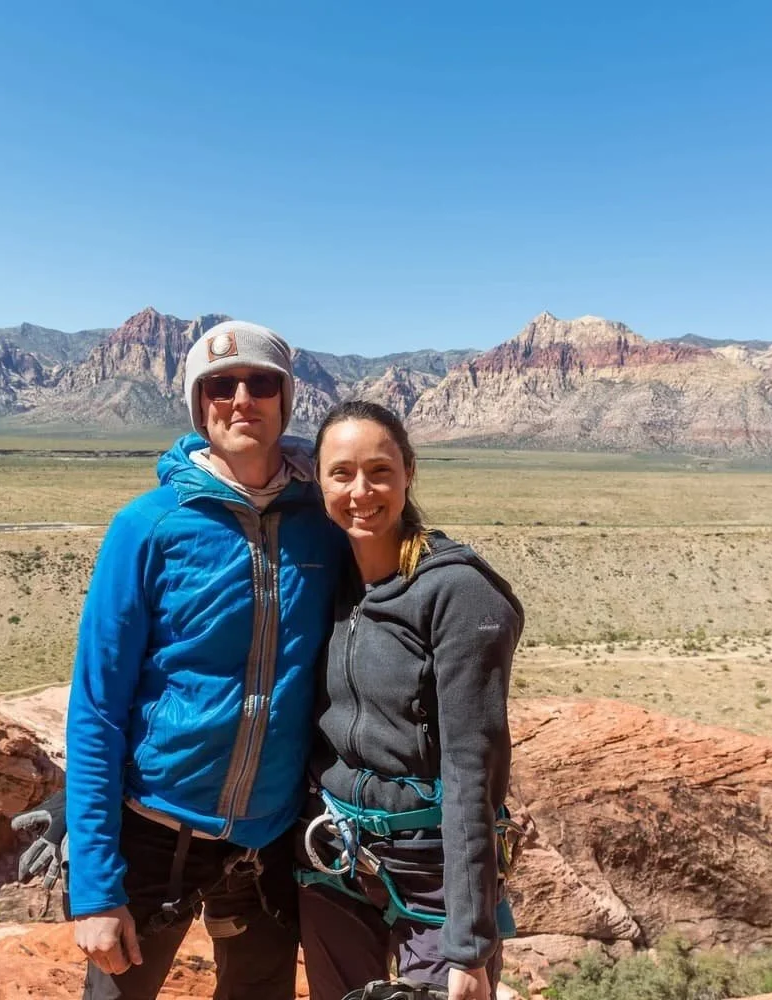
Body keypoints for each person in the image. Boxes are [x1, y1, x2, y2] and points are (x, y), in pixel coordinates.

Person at [61, 320, 345, 1000]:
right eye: (221, 385)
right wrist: (97, 889)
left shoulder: (324, 524)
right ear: (199, 403)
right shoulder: (149, 526)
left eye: (261, 383)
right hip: (154, 836)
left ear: (284, 399)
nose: (241, 398)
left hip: (269, 842)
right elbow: (97, 708)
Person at [297, 400, 524, 1000]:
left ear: (409, 473)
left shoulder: (457, 593)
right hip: (335, 860)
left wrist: (471, 947)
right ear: (318, 481)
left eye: (380, 471)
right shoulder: (328, 581)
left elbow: (473, 773)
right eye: (341, 473)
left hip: (432, 875)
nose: (361, 490)